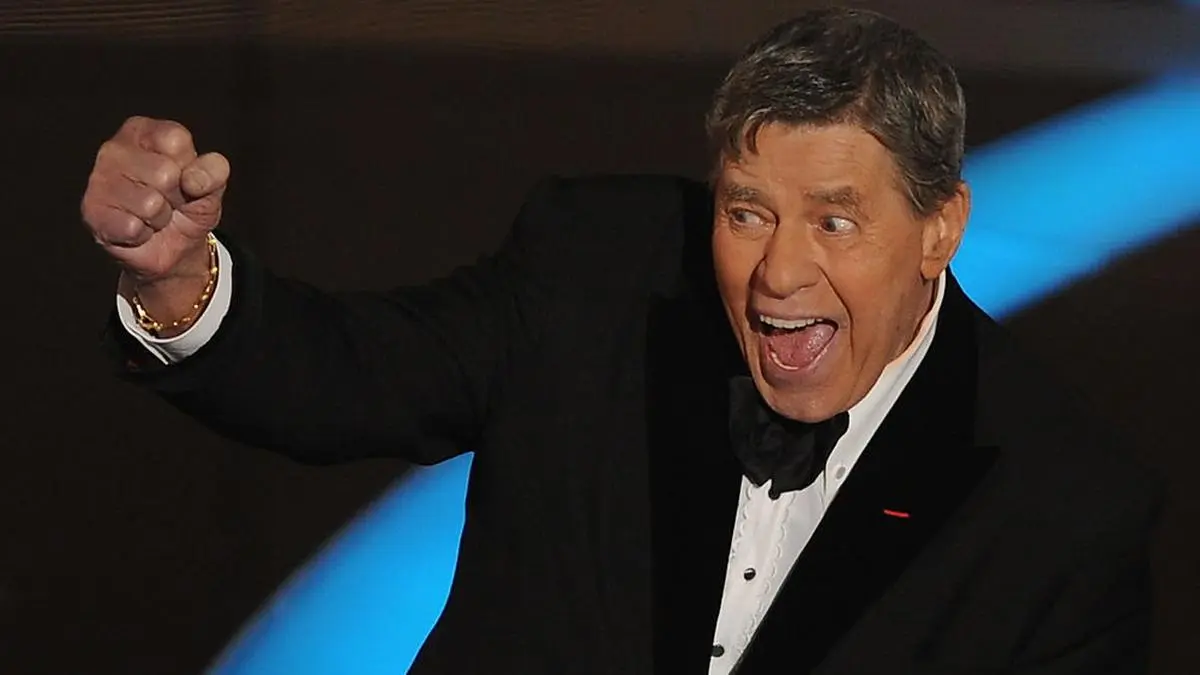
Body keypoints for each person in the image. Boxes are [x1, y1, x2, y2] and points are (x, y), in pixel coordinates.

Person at [81, 7, 1161, 675]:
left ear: (941, 227)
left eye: (835, 222)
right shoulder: (596, 273)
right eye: (747, 212)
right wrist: (176, 278)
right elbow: (349, 375)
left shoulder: (1063, 507)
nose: (780, 274)